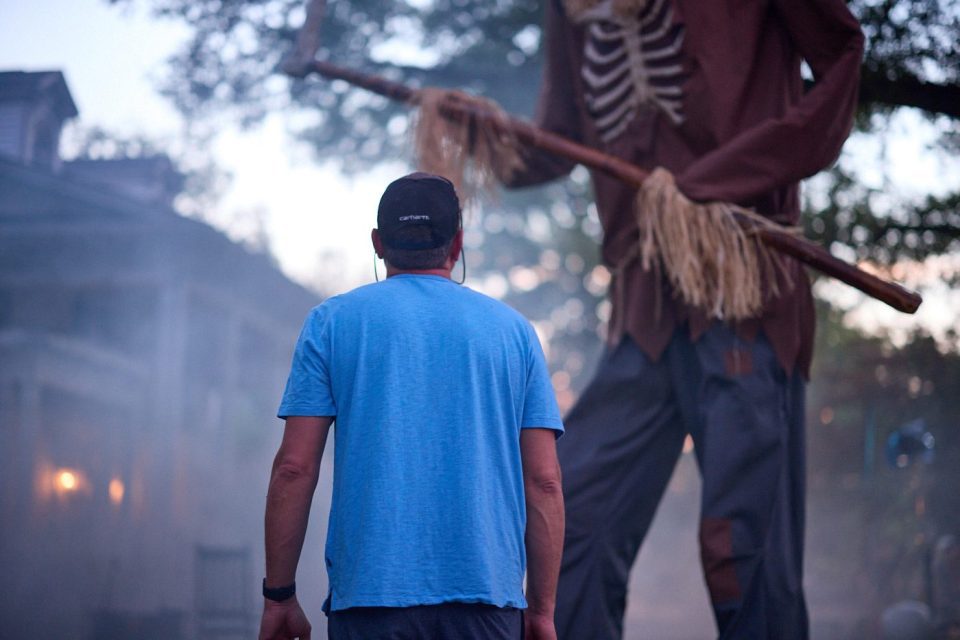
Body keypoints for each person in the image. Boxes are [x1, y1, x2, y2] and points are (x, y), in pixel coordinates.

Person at [500, 1, 865, 638]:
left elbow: (843, 55)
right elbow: (557, 136)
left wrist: (724, 178)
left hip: (741, 286)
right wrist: (482, 131)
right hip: (642, 306)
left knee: (745, 542)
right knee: (571, 511)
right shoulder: (572, 8)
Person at [257, 172, 566, 640]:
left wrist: (279, 596)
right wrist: (541, 613)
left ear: (378, 244)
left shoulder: (332, 324)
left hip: (370, 601)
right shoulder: (514, 333)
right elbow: (543, 482)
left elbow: (294, 469)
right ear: (457, 243)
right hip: (487, 601)